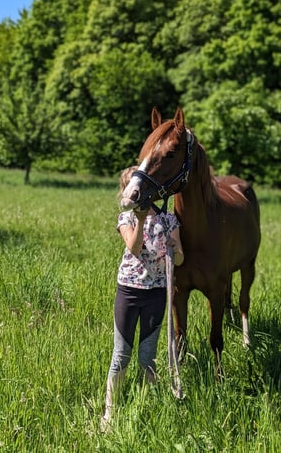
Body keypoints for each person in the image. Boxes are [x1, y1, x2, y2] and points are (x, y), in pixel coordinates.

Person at [101, 166, 184, 429]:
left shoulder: (169, 220)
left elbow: (180, 258)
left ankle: (148, 408)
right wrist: (138, 217)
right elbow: (134, 248)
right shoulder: (126, 219)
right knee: (121, 355)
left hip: (156, 294)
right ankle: (110, 412)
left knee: (148, 357)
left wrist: (174, 248)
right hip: (128, 291)